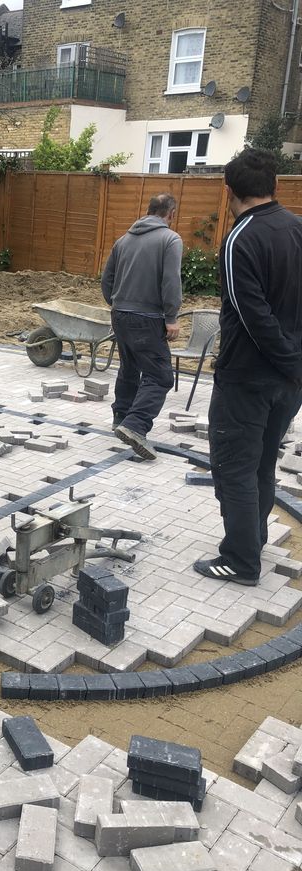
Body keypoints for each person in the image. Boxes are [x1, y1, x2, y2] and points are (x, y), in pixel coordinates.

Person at [194, 148, 302, 586]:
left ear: (229, 192)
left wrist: (290, 360)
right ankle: (251, 539)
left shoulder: (241, 238)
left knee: (234, 467)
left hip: (248, 379)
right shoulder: (298, 229)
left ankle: (240, 561)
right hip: (289, 382)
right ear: (274, 186)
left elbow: (252, 314)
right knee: (261, 465)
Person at [101, 194, 183, 461]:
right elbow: (171, 281)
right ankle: (135, 426)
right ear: (170, 213)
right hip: (147, 318)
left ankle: (121, 417)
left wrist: (118, 303)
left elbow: (107, 279)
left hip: (120, 314)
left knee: (130, 367)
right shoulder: (170, 240)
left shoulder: (123, 240)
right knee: (160, 376)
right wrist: (171, 317)